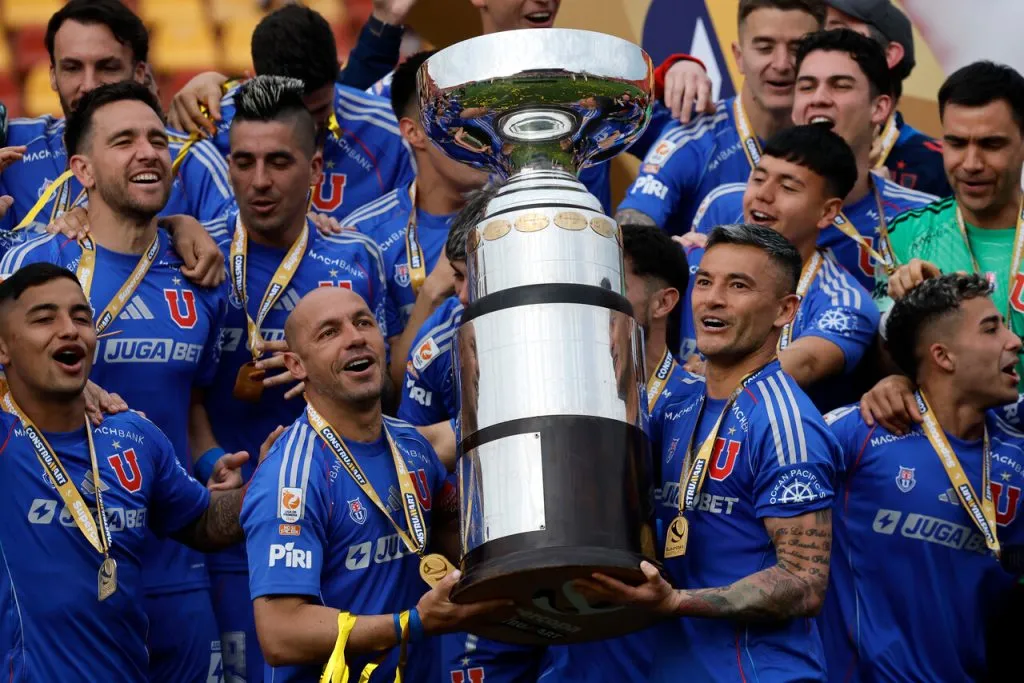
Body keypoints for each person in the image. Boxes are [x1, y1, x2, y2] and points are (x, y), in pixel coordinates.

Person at [0, 82, 229, 683]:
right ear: (83, 170)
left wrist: (211, 467)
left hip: (180, 564)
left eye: (157, 139)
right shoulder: (28, 262)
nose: (147, 152)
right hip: (62, 567)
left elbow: (193, 402)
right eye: (123, 141)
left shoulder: (201, 269)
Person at [578, 223, 841, 682]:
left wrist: (677, 602)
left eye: (738, 285)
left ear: (785, 310)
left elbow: (803, 582)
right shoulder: (677, 407)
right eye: (705, 282)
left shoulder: (784, 423)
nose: (713, 299)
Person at [194, 75, 389, 683]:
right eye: (243, 161)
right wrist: (213, 465)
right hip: (223, 527)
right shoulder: (191, 254)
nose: (259, 181)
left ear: (315, 165)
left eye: (279, 161)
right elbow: (185, 390)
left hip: (335, 532)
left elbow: (382, 391)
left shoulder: (358, 257)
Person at [166, 0, 713, 214]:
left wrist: (673, 75)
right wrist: (221, 81)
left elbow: (675, 145)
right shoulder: (433, 87)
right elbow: (344, 105)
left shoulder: (594, 81)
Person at [0, 263, 251, 681]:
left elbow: (203, 522)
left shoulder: (134, 434)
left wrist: (267, 489)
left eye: (82, 317)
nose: (70, 330)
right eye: (45, 319)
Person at [241, 286, 505, 682]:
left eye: (363, 322)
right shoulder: (290, 476)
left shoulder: (413, 447)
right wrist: (412, 624)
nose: (354, 337)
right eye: (329, 333)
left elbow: (455, 542)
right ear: (297, 366)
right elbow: (281, 635)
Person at [821, 273, 1024, 682]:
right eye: (991, 328)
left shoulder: (1016, 450)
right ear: (943, 356)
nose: (1014, 340)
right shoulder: (856, 431)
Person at [691, 28, 936, 293]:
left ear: (879, 108)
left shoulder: (925, 220)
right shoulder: (725, 207)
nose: (819, 99)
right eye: (807, 87)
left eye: (840, 86)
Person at [682, 125, 880, 411]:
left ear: (827, 212)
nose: (763, 195)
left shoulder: (845, 301)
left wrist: (713, 376)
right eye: (758, 178)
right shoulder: (694, 257)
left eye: (787, 187)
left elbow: (805, 363)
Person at [0, 0, 233, 233]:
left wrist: (223, 84)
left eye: (108, 67)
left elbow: (244, 248)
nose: (89, 85)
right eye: (72, 68)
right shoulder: (13, 144)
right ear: (53, 75)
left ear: (140, 74)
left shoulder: (190, 160)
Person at [166, 4, 415, 222]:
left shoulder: (392, 133)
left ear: (338, 69)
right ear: (256, 81)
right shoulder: (208, 120)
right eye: (289, 112)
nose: (304, 126)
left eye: (318, 111)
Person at [341, 51, 488, 389]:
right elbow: (390, 387)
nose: (480, 140)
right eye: (461, 124)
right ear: (414, 132)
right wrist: (432, 294)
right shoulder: (365, 237)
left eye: (483, 121)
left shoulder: (518, 214)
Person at [616, 0, 828, 234]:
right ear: (739, 56)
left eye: (797, 49)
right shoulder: (693, 139)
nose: (781, 64)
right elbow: (634, 229)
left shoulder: (834, 148)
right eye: (765, 47)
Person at [878, 61, 1024, 389]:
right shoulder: (904, 237)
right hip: (951, 438)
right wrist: (906, 310)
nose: (971, 164)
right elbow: (885, 365)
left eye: (991, 145)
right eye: (956, 143)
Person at [823, 0, 951, 197]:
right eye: (821, 35)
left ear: (889, 55)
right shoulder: (788, 149)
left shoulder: (940, 164)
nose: (819, 49)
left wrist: (890, 206)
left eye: (839, 34)